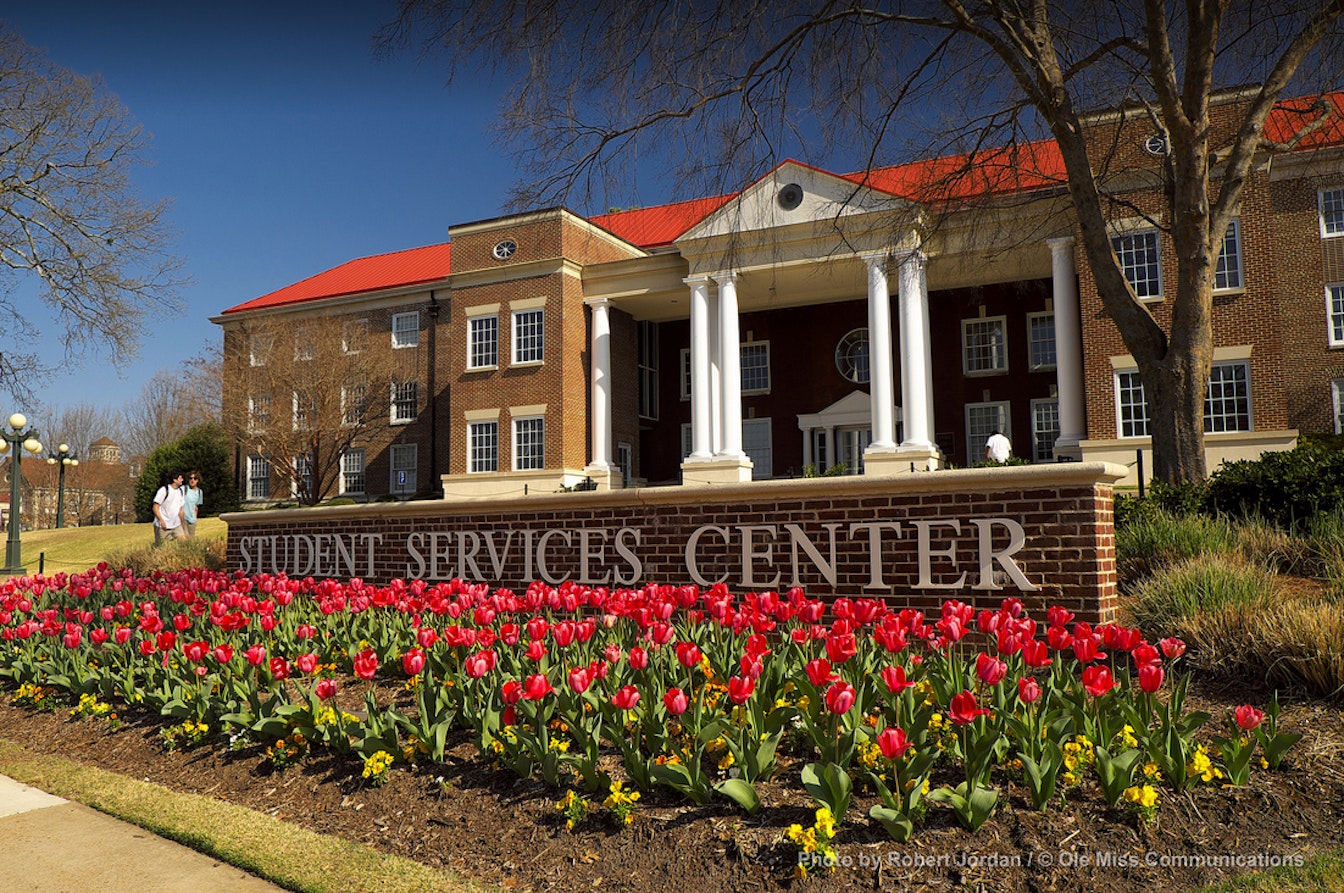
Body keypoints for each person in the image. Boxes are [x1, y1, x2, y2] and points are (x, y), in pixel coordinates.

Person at [152, 471, 187, 545]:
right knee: (160, 547)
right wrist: (161, 520)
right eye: (180, 478)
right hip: (162, 526)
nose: (182, 480)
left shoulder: (180, 491)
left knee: (185, 543)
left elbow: (181, 509)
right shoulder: (164, 490)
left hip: (176, 525)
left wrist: (182, 522)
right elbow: (155, 507)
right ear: (174, 480)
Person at [182, 470, 204, 538]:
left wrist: (194, 518)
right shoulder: (184, 489)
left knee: (191, 540)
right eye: (190, 478)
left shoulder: (199, 492)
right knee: (184, 539)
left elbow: (196, 507)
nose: (192, 480)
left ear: (198, 480)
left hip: (192, 520)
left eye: (195, 478)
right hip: (182, 518)